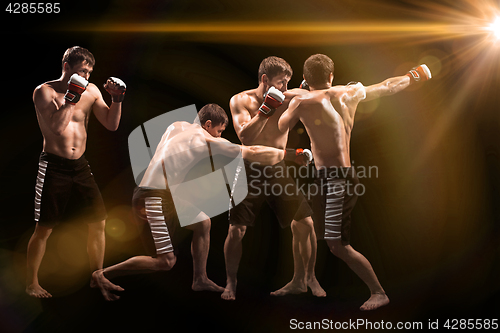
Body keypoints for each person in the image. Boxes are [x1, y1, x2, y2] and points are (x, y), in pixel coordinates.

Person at [278, 54, 431, 310]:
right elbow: (386, 87)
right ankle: (301, 280)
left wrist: (293, 94)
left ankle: (378, 292)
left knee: (338, 246)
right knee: (300, 223)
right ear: (331, 76)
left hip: (337, 180)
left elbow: (280, 120)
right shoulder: (349, 93)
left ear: (305, 79)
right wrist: (413, 75)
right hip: (324, 178)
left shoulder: (300, 101)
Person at [92, 104, 286, 301]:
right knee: (165, 262)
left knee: (203, 222)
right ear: (208, 124)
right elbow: (252, 151)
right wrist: (291, 154)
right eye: (219, 131)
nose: (218, 136)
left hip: (166, 194)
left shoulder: (176, 126)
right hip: (152, 197)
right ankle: (104, 274)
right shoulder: (207, 139)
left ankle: (199, 279)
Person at [26, 46, 126, 298]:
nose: (87, 76)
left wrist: (116, 100)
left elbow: (111, 125)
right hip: (53, 166)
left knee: (98, 222)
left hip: (80, 165)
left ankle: (98, 276)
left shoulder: (91, 91)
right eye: (82, 70)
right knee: (44, 228)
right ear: (66, 67)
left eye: (89, 72)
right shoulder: (44, 92)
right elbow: (58, 128)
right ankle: (32, 283)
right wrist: (72, 96)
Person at [222, 56, 325, 301]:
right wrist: (265, 110)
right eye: (280, 83)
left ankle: (304, 279)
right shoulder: (240, 100)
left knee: (306, 224)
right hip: (249, 168)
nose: (284, 89)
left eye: (288, 83)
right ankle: (230, 284)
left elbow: (319, 97)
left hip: (278, 168)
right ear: (265, 79)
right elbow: (245, 137)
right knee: (236, 230)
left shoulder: (288, 96)